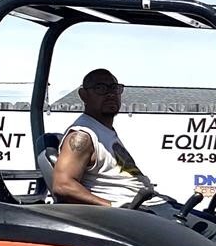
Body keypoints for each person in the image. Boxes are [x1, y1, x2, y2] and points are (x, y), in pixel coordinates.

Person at [51, 69, 156, 207]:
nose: (110, 94)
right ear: (83, 95)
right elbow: (62, 185)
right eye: (100, 88)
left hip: (148, 205)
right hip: (130, 212)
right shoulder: (82, 136)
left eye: (114, 88)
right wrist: (113, 207)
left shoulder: (104, 130)